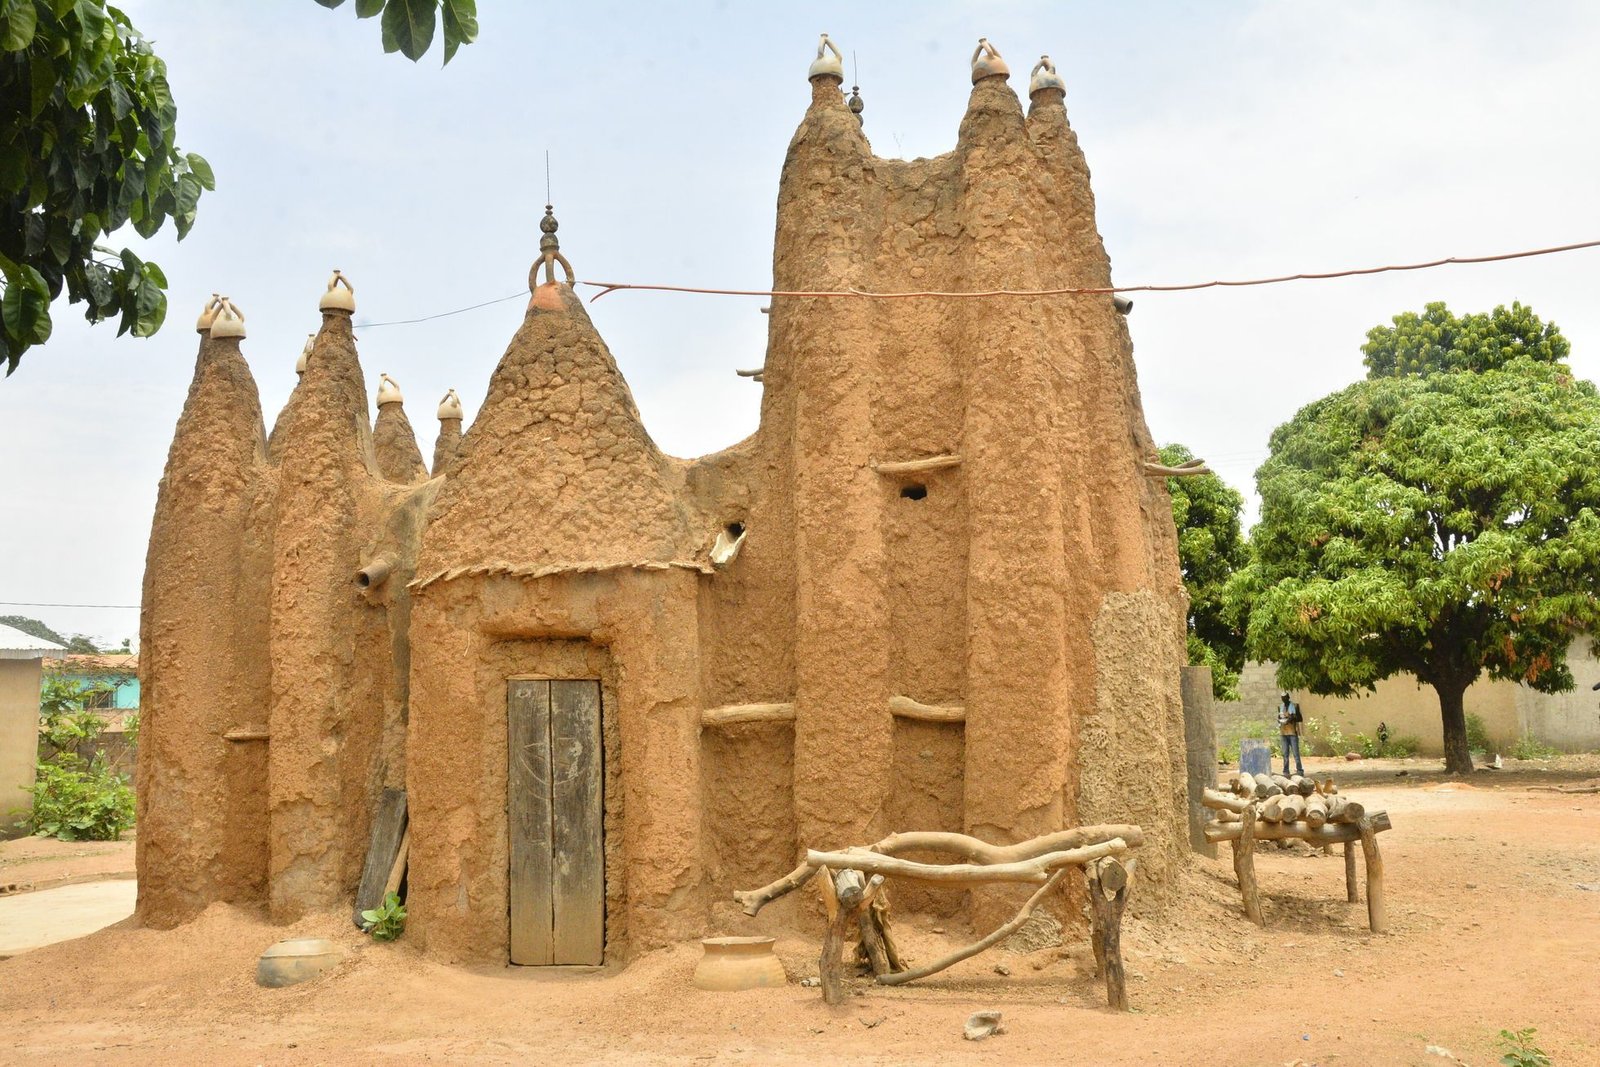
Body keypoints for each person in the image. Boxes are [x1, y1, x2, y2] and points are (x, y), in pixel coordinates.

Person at [1277, 692, 1304, 775]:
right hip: (1283, 732)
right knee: (1285, 754)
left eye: (1285, 697)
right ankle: (1286, 771)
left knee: (1296, 753)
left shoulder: (1295, 706)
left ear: (1288, 697)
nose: (1283, 699)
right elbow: (1279, 717)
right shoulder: (1280, 707)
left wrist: (1292, 718)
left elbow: (1300, 719)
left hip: (1292, 732)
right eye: (1282, 698)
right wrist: (1279, 719)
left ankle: (1299, 770)